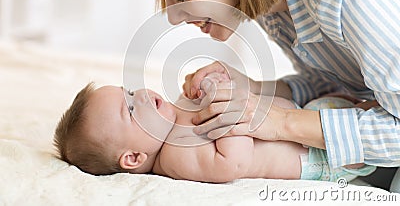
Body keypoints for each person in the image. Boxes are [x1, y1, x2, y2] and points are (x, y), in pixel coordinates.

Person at [132, 0, 400, 186]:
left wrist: (281, 121)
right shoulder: (276, 5)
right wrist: (253, 89)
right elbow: (345, 80)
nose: (173, 17)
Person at [53, 76, 375, 183]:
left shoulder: (172, 118)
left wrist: (205, 88)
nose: (142, 96)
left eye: (129, 91)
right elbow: (232, 163)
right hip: (318, 157)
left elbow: (205, 107)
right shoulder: (175, 159)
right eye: (132, 108)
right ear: (134, 157)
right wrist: (230, 112)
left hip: (305, 118)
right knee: (370, 133)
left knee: (362, 104)